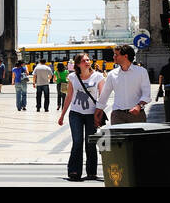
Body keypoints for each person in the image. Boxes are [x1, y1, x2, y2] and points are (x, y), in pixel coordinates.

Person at [58, 52, 106, 181]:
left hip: (91, 114)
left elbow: (102, 96)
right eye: (84, 60)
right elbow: (69, 96)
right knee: (77, 142)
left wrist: (99, 112)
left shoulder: (98, 76)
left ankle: (91, 171)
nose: (88, 62)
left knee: (90, 143)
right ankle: (74, 171)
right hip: (76, 113)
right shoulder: (73, 77)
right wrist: (62, 115)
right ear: (78, 64)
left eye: (88, 60)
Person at [94, 45, 152, 126]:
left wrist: (139, 106)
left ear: (125, 56)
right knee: (118, 139)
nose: (113, 57)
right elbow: (104, 94)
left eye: (116, 54)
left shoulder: (141, 72)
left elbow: (147, 94)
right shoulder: (112, 74)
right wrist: (98, 111)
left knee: (138, 139)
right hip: (118, 115)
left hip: (137, 115)